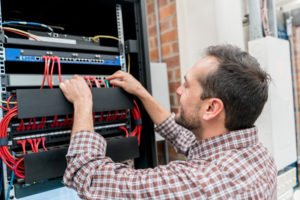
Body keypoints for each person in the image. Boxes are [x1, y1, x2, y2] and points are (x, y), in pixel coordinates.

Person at [60, 45, 277, 199]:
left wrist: (83, 103)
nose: (179, 90)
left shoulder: (201, 184)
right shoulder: (256, 155)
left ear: (211, 108)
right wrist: (142, 94)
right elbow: (188, 141)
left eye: (187, 85)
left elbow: (90, 179)